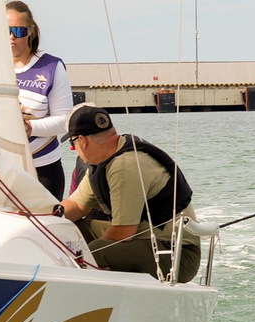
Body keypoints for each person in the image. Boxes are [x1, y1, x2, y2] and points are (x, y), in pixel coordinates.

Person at [58, 105, 199, 280]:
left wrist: (81, 251)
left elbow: (123, 232)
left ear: (83, 141)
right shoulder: (105, 160)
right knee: (69, 229)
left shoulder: (124, 165)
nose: (73, 149)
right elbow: (76, 206)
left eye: (72, 143)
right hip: (147, 239)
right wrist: (40, 218)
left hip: (176, 255)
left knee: (92, 253)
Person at [7, 0, 73, 201]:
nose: (11, 37)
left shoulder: (51, 66)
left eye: (17, 31)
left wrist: (28, 127)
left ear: (30, 31)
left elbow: (64, 121)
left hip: (43, 169)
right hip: (2, 169)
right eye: (5, 30)